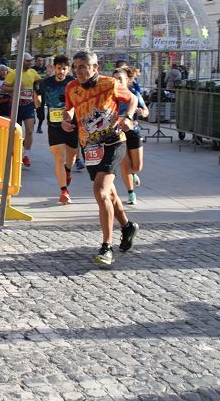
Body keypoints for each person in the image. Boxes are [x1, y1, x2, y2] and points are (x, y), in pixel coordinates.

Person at [61, 50, 139, 267]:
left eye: (83, 66)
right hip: (89, 146)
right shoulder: (71, 88)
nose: (79, 70)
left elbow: (132, 98)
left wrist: (128, 117)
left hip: (113, 142)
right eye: (76, 66)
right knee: (110, 193)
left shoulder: (109, 83)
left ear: (95, 67)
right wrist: (66, 119)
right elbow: (69, 111)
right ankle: (127, 227)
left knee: (100, 191)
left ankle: (106, 247)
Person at [39, 55, 78, 204]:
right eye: (59, 68)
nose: (61, 71)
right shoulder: (46, 83)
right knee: (59, 157)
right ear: (54, 68)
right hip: (54, 125)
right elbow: (38, 95)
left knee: (71, 157)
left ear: (68, 69)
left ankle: (68, 170)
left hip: (71, 124)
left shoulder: (73, 83)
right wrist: (39, 110)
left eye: (64, 68)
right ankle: (64, 191)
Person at [113, 67, 150, 205]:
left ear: (127, 80)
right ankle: (131, 193)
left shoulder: (133, 94)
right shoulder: (110, 96)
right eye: (115, 79)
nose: (117, 81)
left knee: (137, 167)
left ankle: (134, 174)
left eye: (120, 79)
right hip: (117, 134)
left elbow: (146, 111)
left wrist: (142, 112)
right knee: (125, 165)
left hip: (133, 132)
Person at [2, 52, 41, 168]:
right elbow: (4, 88)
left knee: (29, 130)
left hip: (28, 105)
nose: (30, 63)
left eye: (31, 61)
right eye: (27, 61)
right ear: (21, 61)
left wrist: (50, 77)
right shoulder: (13, 73)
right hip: (16, 105)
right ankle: (15, 153)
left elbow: (41, 81)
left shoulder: (32, 72)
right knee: (15, 132)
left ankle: (26, 155)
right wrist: (17, 87)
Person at [33, 55, 49, 134]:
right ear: (35, 61)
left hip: (43, 93)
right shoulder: (32, 69)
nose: (40, 62)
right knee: (32, 108)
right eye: (39, 60)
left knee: (41, 111)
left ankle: (39, 127)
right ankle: (32, 118)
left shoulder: (45, 69)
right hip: (34, 92)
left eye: (41, 60)